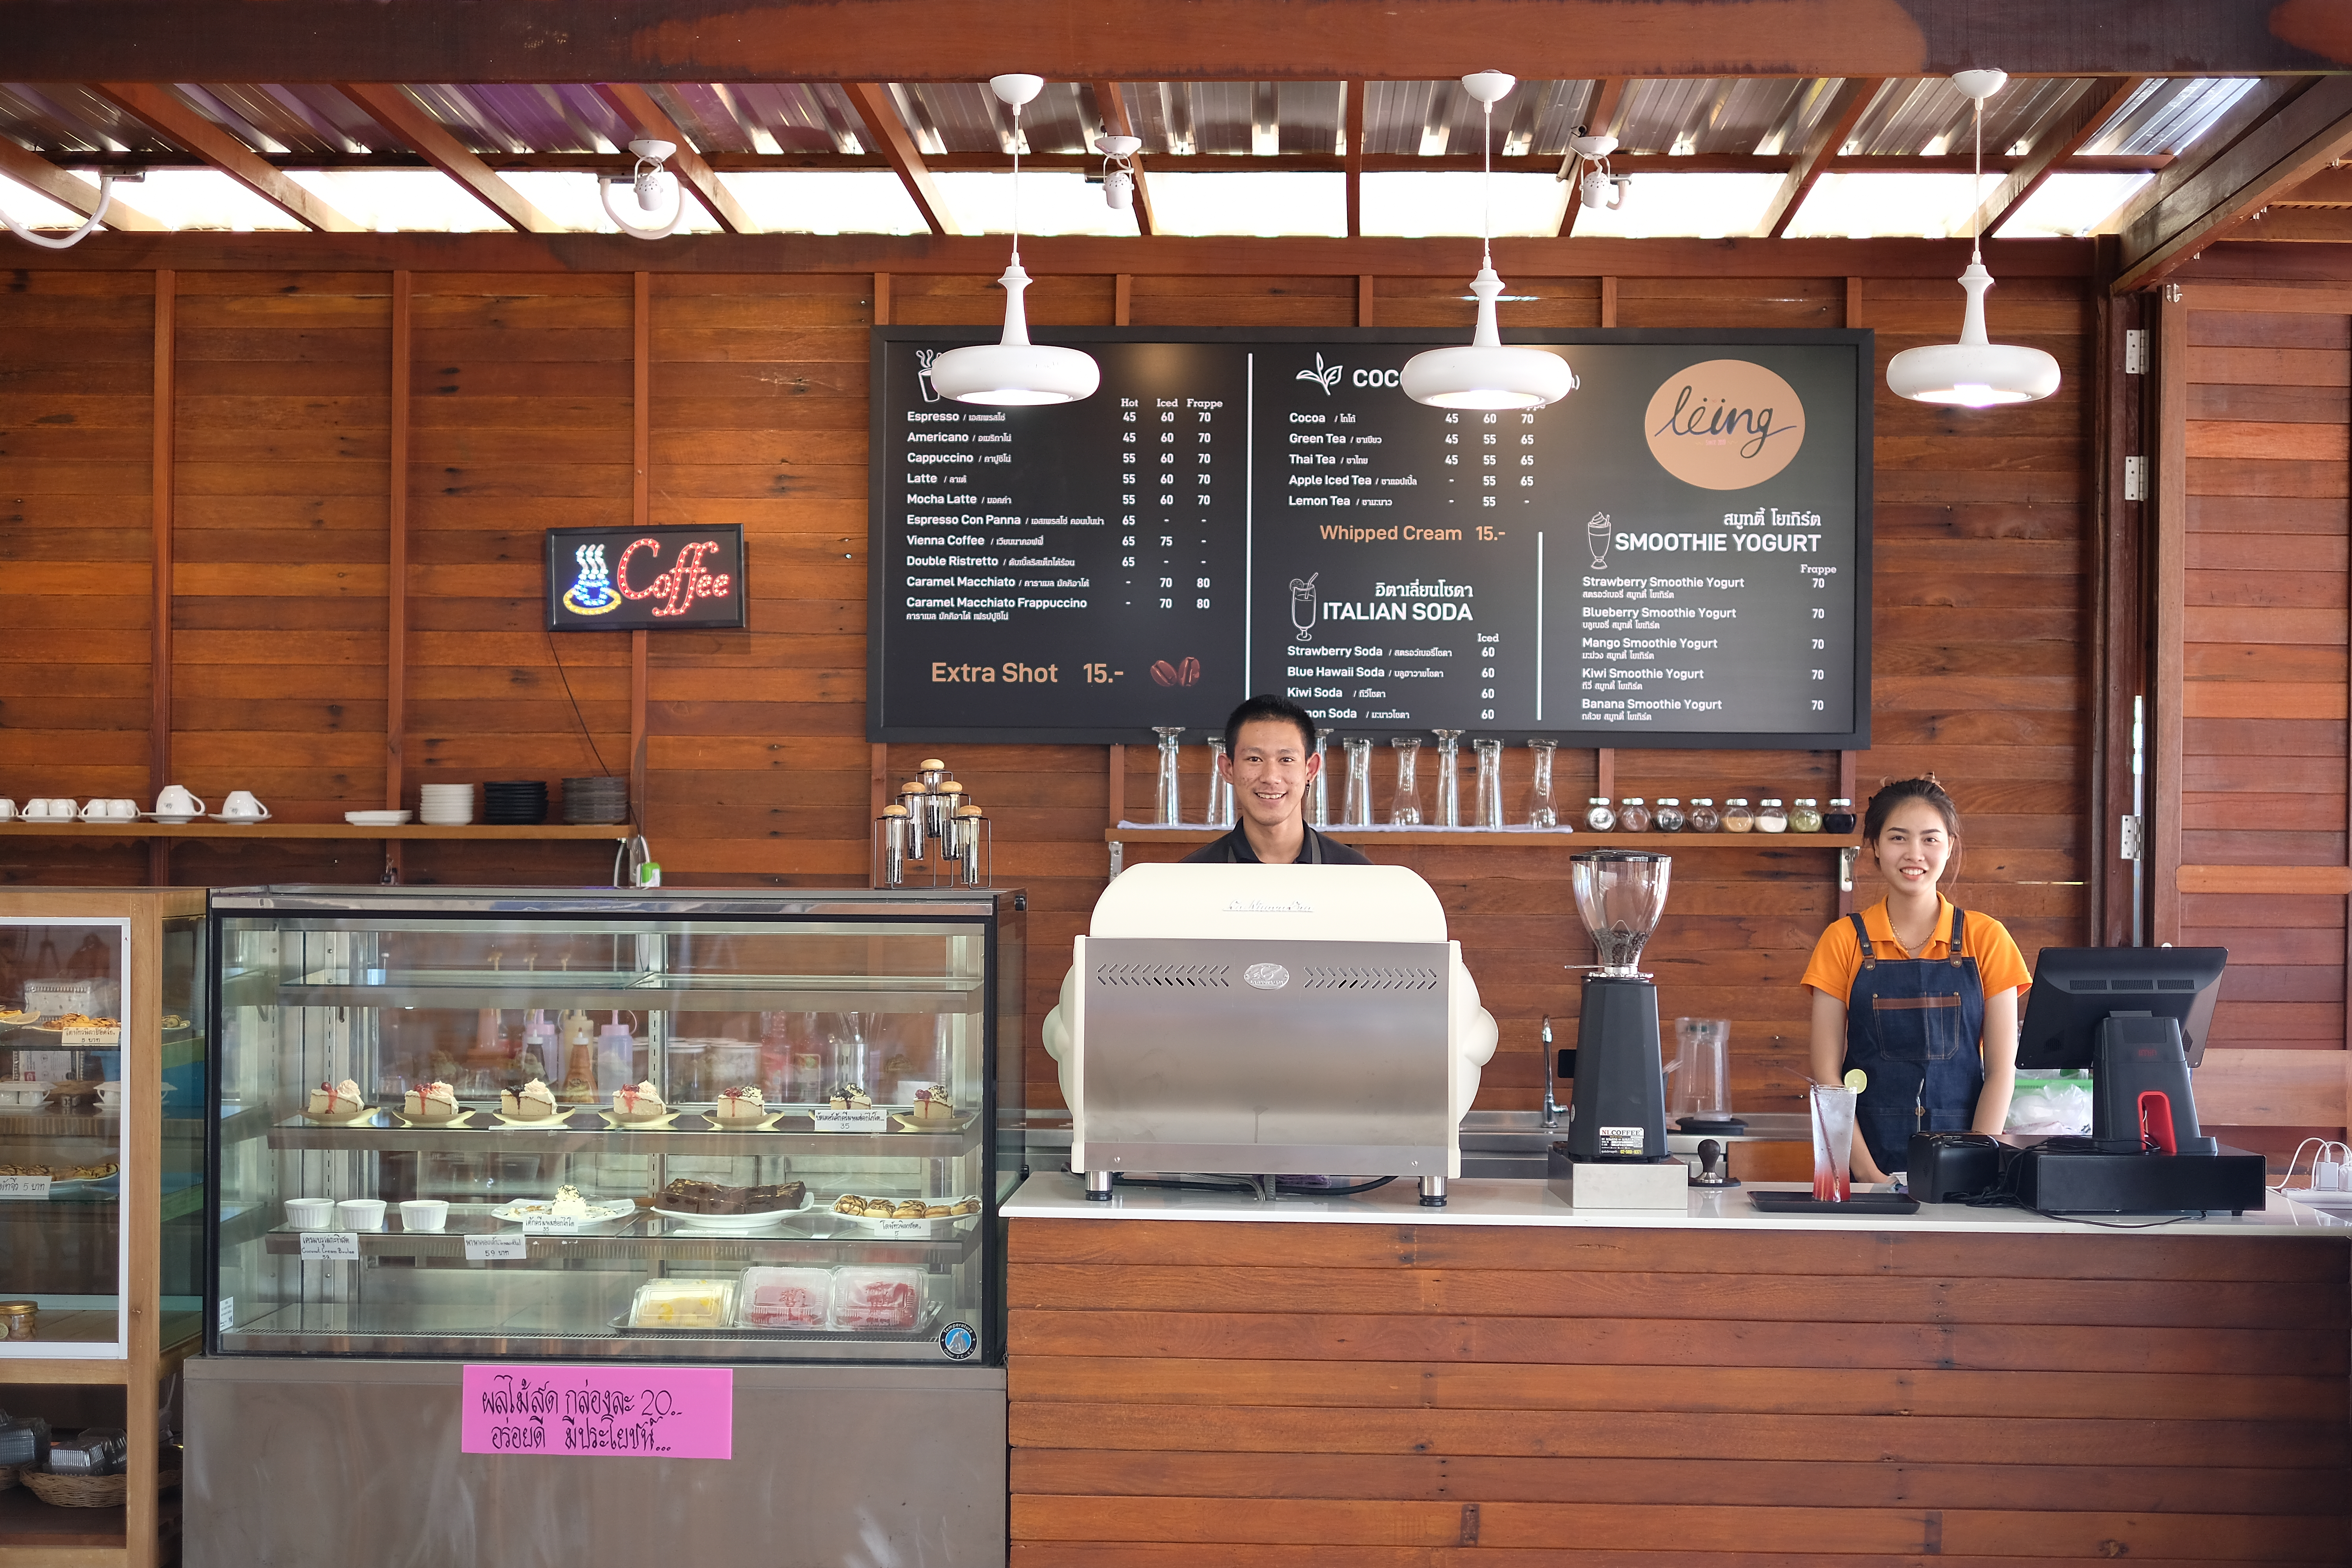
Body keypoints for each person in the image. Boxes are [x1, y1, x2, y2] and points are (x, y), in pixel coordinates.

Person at [1800, 776, 2031, 1183]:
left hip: (1968, 1170)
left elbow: (2001, 1070)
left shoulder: (1988, 938)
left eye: (1930, 839)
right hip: (1865, 1165)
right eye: (1898, 838)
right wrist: (1869, 1174)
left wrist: (1973, 1165)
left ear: (1950, 846)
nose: (1914, 854)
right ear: (1873, 846)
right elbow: (1826, 1074)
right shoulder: (1843, 940)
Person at [1180, 695, 1370, 866]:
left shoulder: (1356, 874)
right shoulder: (1194, 876)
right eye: (1254, 759)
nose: (1271, 778)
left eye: (1286, 760)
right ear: (1228, 769)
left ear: (1310, 769)